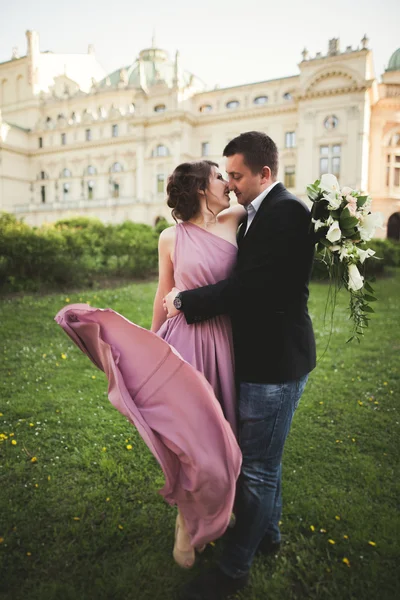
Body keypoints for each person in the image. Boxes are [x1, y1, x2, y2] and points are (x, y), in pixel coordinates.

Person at [164, 131, 316, 599]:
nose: (229, 184)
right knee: (262, 463)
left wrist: (186, 300)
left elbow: (251, 288)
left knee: (257, 470)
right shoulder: (256, 212)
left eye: (235, 176)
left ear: (263, 174)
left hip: (275, 362)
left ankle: (232, 571)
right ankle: (267, 537)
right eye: (223, 176)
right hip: (254, 356)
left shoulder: (285, 211)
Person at [151, 160, 246, 568]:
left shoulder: (235, 219)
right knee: (191, 442)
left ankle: (220, 509)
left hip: (225, 342)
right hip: (184, 344)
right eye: (219, 178)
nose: (227, 183)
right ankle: (185, 522)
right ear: (200, 188)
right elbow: (163, 293)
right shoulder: (169, 237)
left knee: (224, 433)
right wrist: (151, 343)